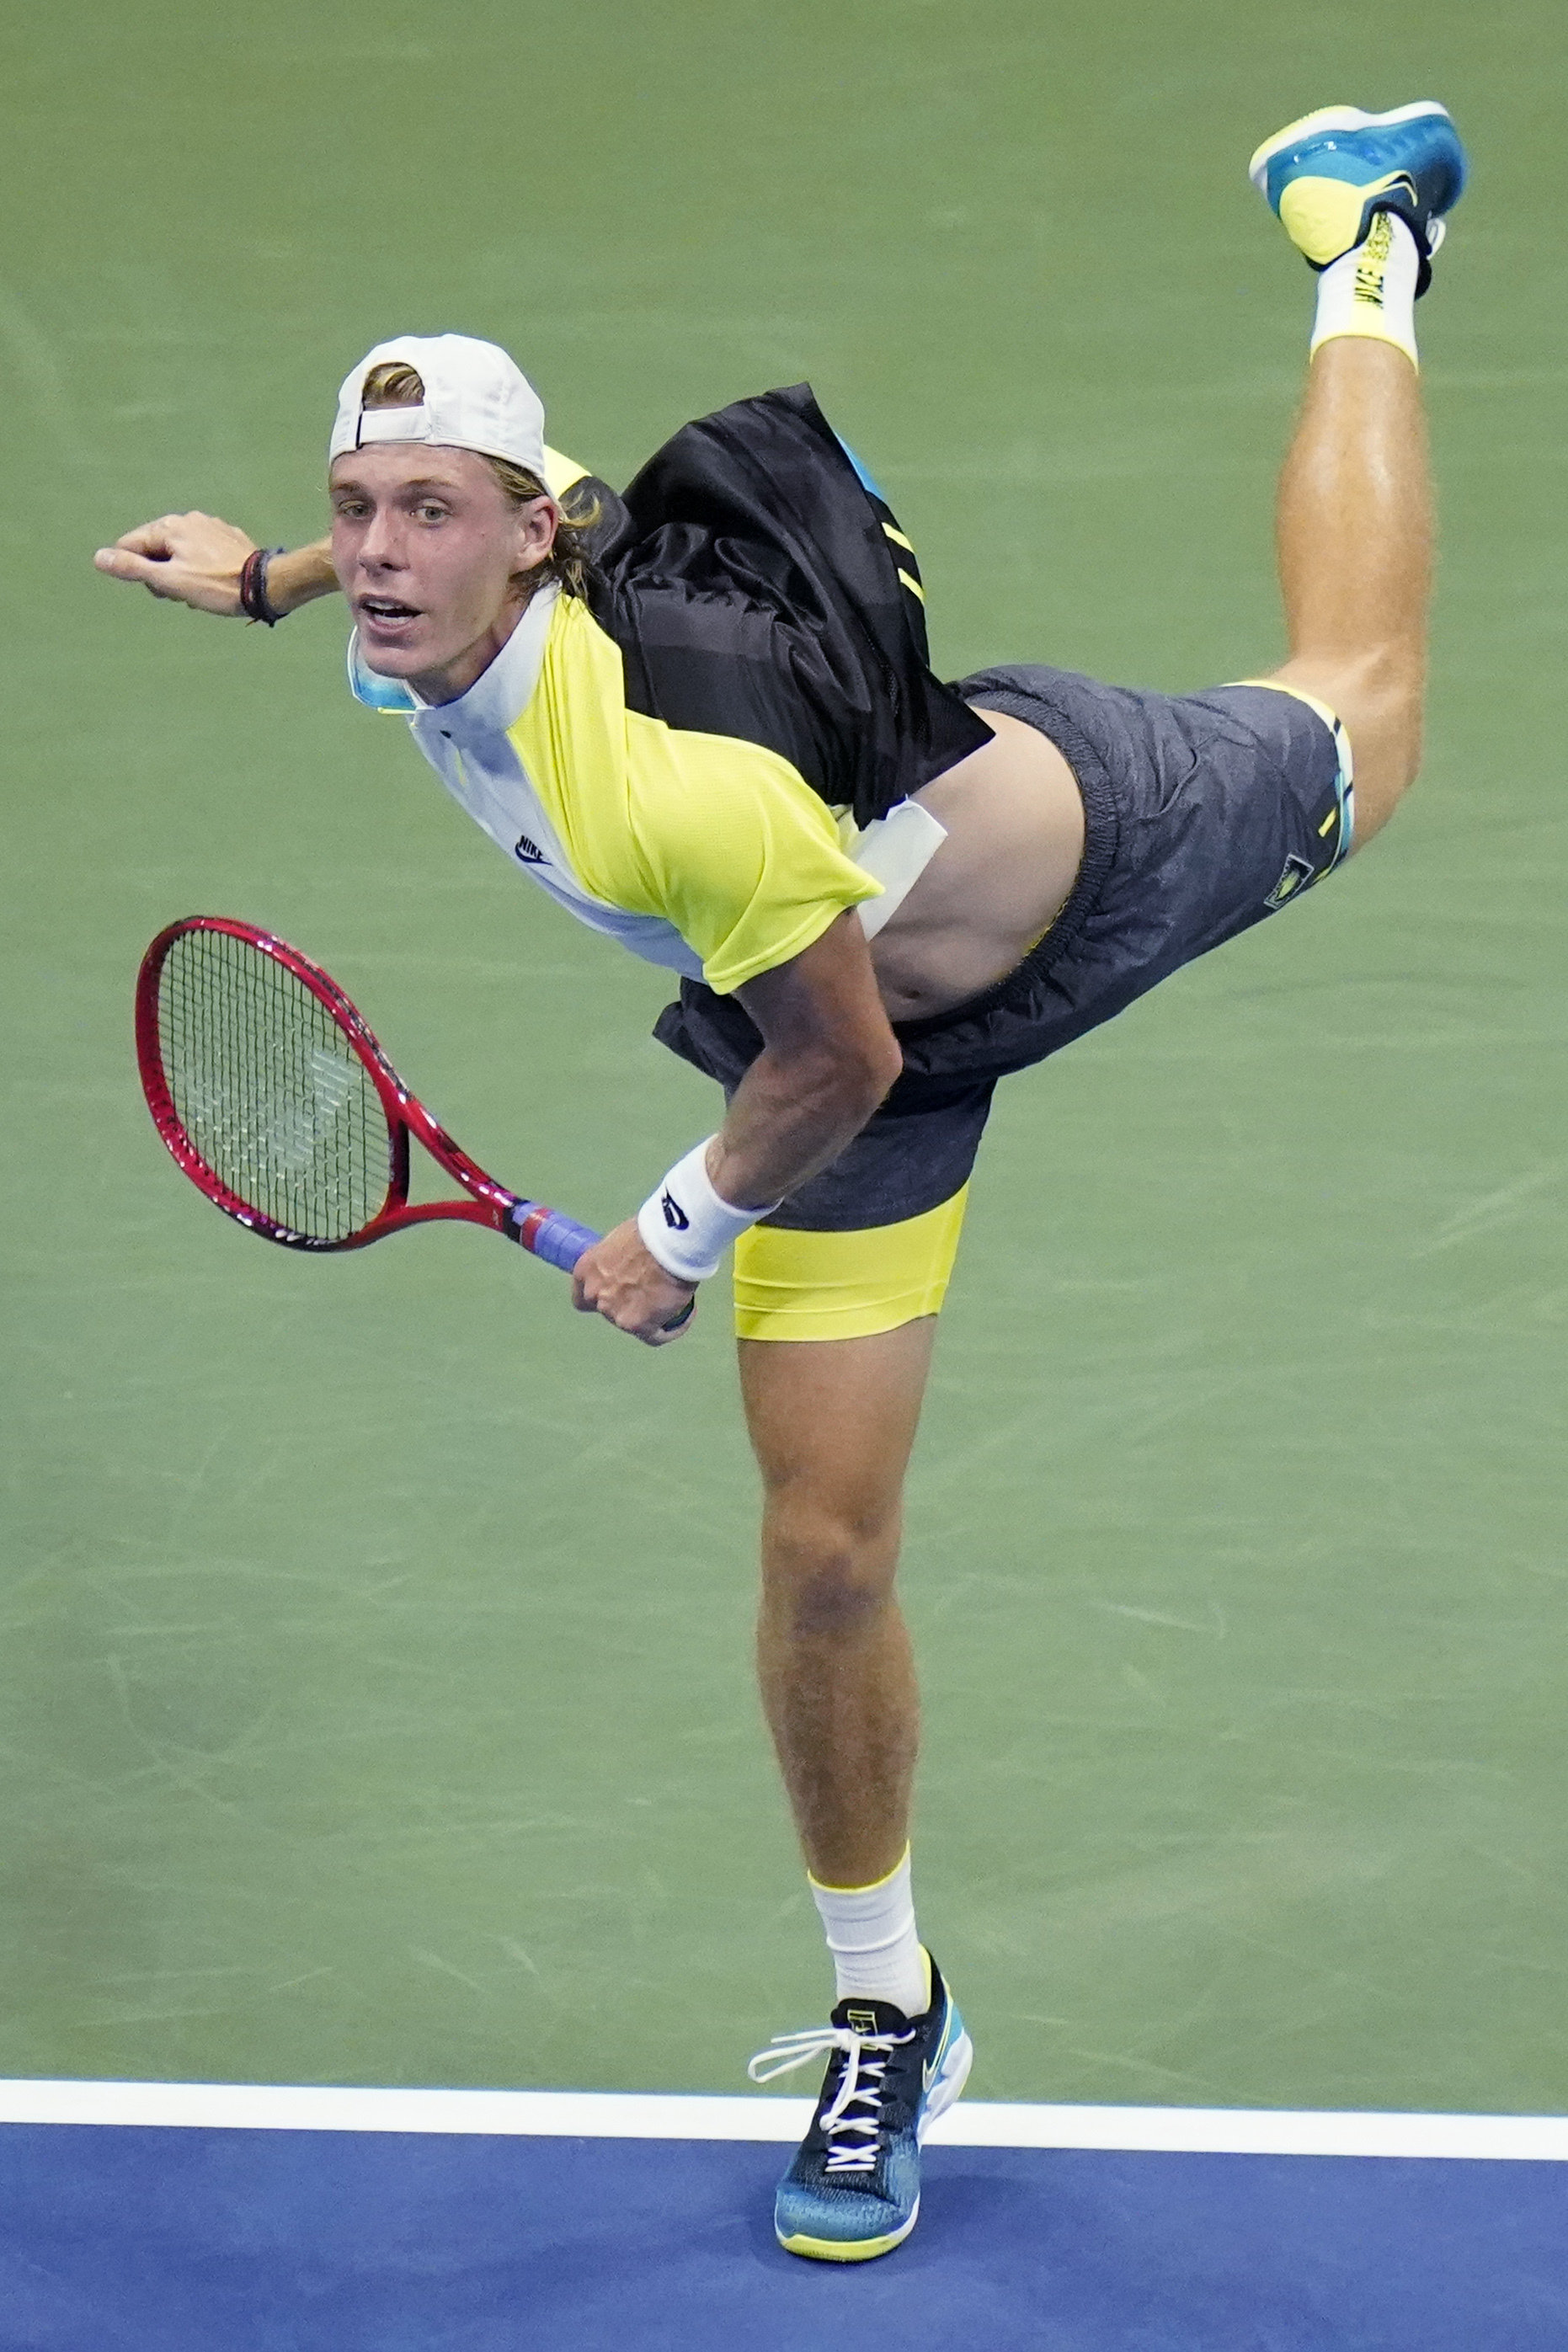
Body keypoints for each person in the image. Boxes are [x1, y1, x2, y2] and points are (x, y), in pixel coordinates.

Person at [96, 102, 1467, 2262]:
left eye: (421, 514)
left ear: (535, 530)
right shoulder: (398, 616)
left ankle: (1364, 243)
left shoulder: (675, 781)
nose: (374, 552)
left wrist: (669, 1228)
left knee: (1362, 711)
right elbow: (821, 1036)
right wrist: (250, 582)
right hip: (834, 1018)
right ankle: (882, 2009)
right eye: (351, 510)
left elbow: (842, 1055)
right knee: (824, 1548)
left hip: (1041, 886)